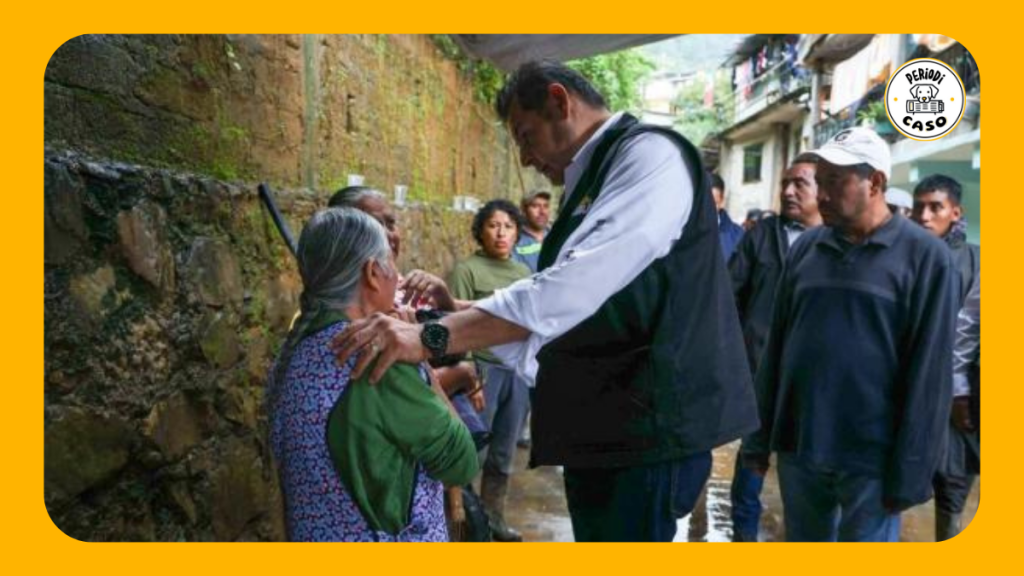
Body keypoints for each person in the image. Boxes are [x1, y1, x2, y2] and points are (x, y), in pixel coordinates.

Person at [331, 60, 758, 542]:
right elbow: (561, 297)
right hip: (606, 427)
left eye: (526, 136)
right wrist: (458, 313)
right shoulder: (595, 174)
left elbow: (568, 289)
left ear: (560, 102)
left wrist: (429, 336)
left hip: (648, 428)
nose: (527, 159)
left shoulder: (649, 158)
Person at [742, 127, 958, 542]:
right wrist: (757, 441)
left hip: (872, 459)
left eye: (834, 182)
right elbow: (778, 350)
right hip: (800, 446)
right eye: (819, 182)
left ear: (875, 182)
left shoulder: (926, 258)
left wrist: (912, 471)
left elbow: (931, 374)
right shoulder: (807, 248)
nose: (821, 195)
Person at [267, 207, 478, 542]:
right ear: (371, 273)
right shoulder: (379, 360)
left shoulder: (294, 349)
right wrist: (419, 356)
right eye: (391, 263)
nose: (397, 275)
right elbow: (462, 464)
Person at [727, 154, 823, 542]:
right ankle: (744, 539)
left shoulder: (836, 242)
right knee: (752, 458)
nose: (787, 191)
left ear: (824, 188)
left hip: (812, 382)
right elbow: (730, 297)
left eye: (800, 183)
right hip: (760, 374)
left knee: (808, 470)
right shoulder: (761, 236)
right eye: (785, 183)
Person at [448, 199, 532, 541]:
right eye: (493, 225)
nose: (501, 233)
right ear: (481, 231)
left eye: (508, 226)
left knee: (503, 451)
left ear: (517, 233)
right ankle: (467, 520)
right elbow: (453, 326)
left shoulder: (524, 274)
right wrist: (468, 376)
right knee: (473, 451)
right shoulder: (467, 271)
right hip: (481, 372)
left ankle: (494, 519)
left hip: (516, 372)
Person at [911, 174, 980, 541]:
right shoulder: (899, 256)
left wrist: (962, 391)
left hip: (956, 404)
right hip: (905, 396)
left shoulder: (975, 263)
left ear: (955, 212)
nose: (924, 215)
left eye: (935, 207)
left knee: (952, 493)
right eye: (919, 206)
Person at [513, 189, 551, 273]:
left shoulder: (557, 235)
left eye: (546, 206)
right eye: (535, 206)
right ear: (523, 210)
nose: (542, 211)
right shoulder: (515, 240)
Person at [711, 173, 745, 260]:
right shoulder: (683, 234)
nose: (707, 209)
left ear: (721, 199)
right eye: (703, 203)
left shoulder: (737, 236)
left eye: (713, 204)